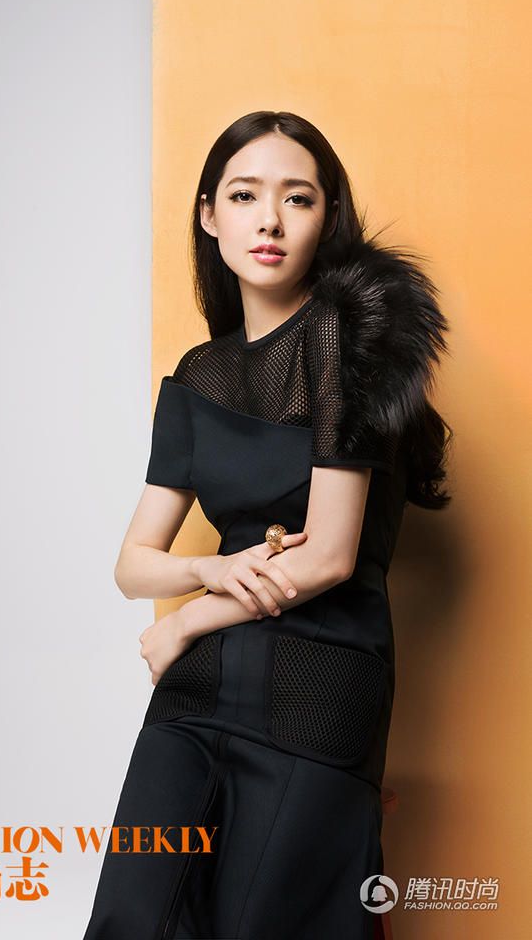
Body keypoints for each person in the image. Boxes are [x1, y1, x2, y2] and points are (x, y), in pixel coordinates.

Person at [81, 110, 452, 940]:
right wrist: (208, 570)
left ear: (328, 218)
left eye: (298, 198)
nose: (270, 221)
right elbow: (133, 563)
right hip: (198, 691)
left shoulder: (349, 340)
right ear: (209, 215)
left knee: (264, 923)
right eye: (245, 196)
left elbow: (328, 556)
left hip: (317, 685)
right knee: (132, 916)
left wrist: (185, 623)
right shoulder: (198, 376)